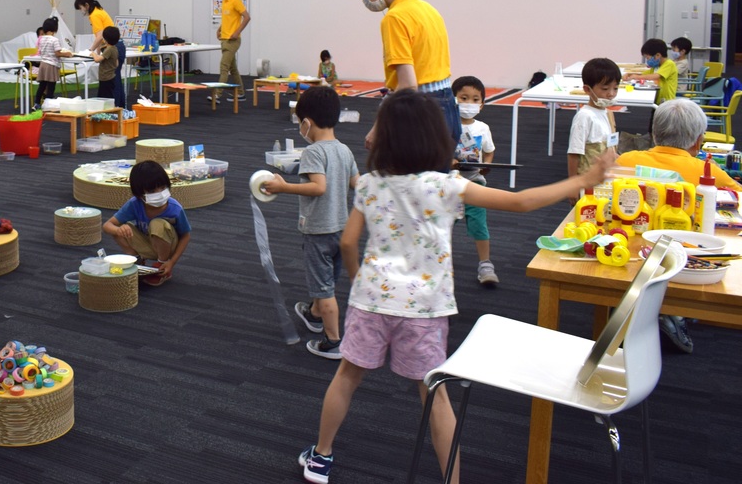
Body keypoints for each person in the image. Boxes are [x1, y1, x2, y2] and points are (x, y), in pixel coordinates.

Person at [297, 89, 614, 484]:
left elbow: (348, 243)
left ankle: (322, 456)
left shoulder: (370, 185)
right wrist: (582, 180)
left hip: (371, 302)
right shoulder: (447, 185)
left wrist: (360, 279)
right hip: (426, 310)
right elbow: (520, 202)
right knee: (434, 394)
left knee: (346, 377)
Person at [616, 97, 741, 354]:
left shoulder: (626, 160)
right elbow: (736, 195)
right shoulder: (706, 170)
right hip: (686, 256)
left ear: (654, 133)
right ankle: (675, 314)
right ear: (698, 141)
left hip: (631, 250)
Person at [260, 86, 358, 359]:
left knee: (324, 289)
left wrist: (283, 187)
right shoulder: (344, 150)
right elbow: (358, 184)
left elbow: (318, 187)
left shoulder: (313, 152)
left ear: (307, 122)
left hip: (319, 231)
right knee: (326, 280)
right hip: (342, 229)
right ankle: (314, 314)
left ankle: (333, 341)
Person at [346, 0, 459, 148]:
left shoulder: (394, 18)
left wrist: (378, 127)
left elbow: (407, 85)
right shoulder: (427, 9)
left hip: (420, 113)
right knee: (439, 169)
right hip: (448, 107)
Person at [104, 160, 191, 286]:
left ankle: (161, 265)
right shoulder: (134, 204)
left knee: (157, 224)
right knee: (121, 227)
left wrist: (171, 262)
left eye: (162, 188)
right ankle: (136, 259)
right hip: (146, 244)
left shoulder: (175, 208)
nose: (159, 194)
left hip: (168, 246)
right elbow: (107, 225)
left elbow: (185, 236)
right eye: (151, 191)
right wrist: (118, 230)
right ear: (139, 194)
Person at [452, 76, 499, 286]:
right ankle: (440, 262)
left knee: (479, 224)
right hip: (448, 184)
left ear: (481, 104)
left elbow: (489, 151)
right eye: (463, 98)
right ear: (453, 100)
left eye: (475, 99)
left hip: (474, 183)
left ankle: (485, 264)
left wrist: (486, 165)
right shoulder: (447, 125)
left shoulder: (482, 128)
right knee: (442, 224)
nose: (469, 103)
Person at [567, 57, 621, 181]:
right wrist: (573, 185)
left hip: (606, 178)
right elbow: (574, 153)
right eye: (605, 89)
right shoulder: (584, 116)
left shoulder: (608, 113)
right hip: (588, 182)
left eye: (615, 88)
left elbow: (610, 145)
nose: (611, 94)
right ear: (587, 89)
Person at [212, 0, 250, 104]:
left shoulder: (235, 0)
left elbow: (247, 17)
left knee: (224, 67)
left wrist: (237, 32)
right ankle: (241, 93)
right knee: (233, 69)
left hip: (233, 40)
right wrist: (219, 29)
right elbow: (227, 20)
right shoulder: (225, 1)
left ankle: (217, 95)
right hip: (224, 39)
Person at [625, 38, 679, 105]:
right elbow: (644, 74)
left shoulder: (669, 64)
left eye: (648, 58)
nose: (647, 60)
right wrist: (629, 74)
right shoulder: (657, 66)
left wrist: (635, 77)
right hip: (658, 100)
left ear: (658, 55)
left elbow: (655, 76)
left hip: (667, 103)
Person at [32, 17, 70, 110]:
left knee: (42, 86)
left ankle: (36, 103)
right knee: (51, 86)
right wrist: (67, 54)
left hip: (43, 64)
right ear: (55, 29)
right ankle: (48, 104)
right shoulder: (54, 40)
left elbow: (41, 51)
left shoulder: (41, 39)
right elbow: (57, 53)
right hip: (51, 65)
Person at [91, 25, 121, 101]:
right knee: (108, 96)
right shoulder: (114, 48)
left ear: (105, 38)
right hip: (111, 77)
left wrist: (93, 53)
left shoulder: (109, 49)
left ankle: (109, 108)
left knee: (104, 98)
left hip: (106, 78)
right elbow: (116, 63)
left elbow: (97, 59)